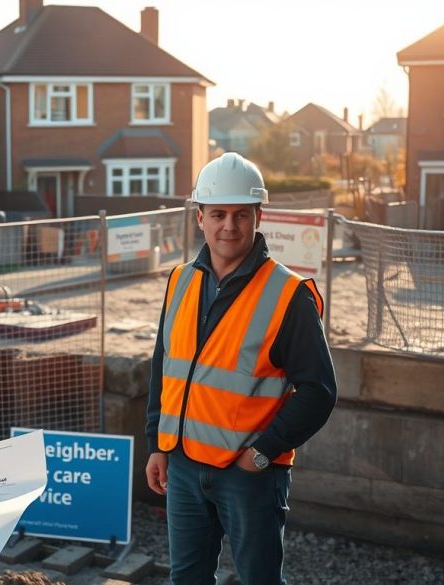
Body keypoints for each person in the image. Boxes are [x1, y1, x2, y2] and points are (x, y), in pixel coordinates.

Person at [144, 152, 337, 584]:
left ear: (258, 216)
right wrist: (158, 443)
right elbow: (163, 368)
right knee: (187, 579)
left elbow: (319, 391)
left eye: (240, 215)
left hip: (247, 475)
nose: (228, 226)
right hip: (184, 464)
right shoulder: (179, 282)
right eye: (218, 214)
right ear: (200, 218)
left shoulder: (289, 294)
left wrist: (261, 453)